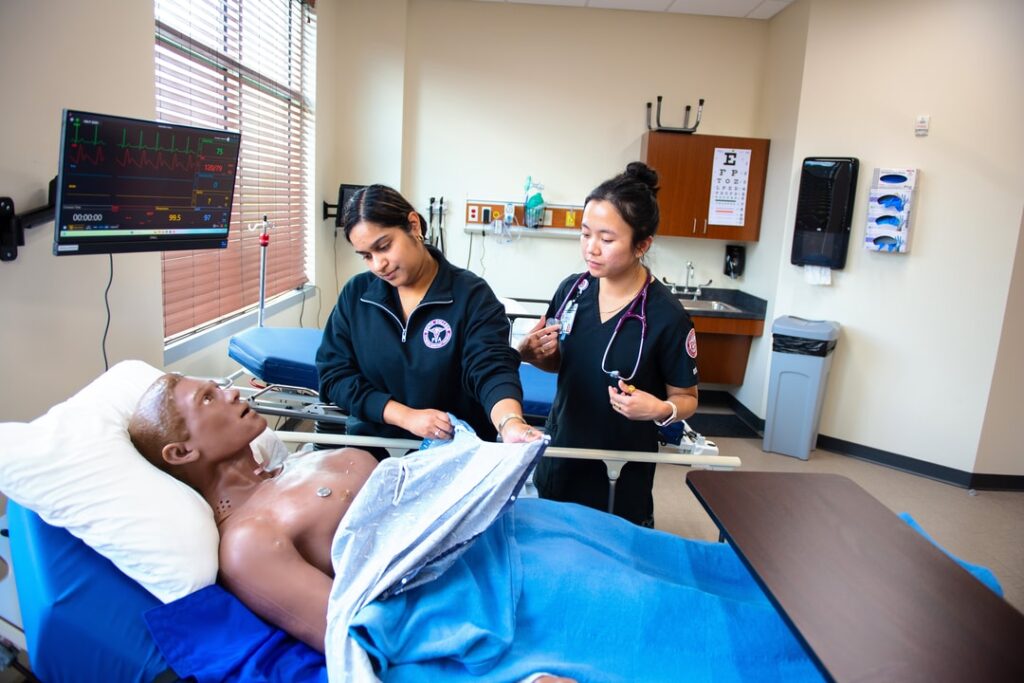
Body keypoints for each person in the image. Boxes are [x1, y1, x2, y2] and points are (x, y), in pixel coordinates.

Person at [128, 373, 817, 682]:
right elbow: (349, 629)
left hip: (509, 525)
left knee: (669, 560)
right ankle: (829, 660)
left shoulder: (294, 465)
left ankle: (821, 610)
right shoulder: (248, 539)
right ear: (182, 452)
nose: (234, 392)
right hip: (481, 588)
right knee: (656, 614)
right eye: (209, 398)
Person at [517, 162, 699, 526]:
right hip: (564, 447)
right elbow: (561, 362)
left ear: (642, 244)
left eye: (607, 238)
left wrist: (660, 409)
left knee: (615, 556)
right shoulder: (571, 291)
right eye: (585, 234)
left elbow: (687, 398)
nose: (591, 248)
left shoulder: (666, 315)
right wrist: (534, 355)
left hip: (622, 463)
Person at [316, 184, 538, 452]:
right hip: (370, 446)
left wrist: (510, 422)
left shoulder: (471, 296)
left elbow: (490, 368)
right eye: (366, 256)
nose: (378, 264)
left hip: (451, 450)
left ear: (413, 225)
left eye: (384, 247)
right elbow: (334, 375)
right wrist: (404, 416)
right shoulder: (357, 296)